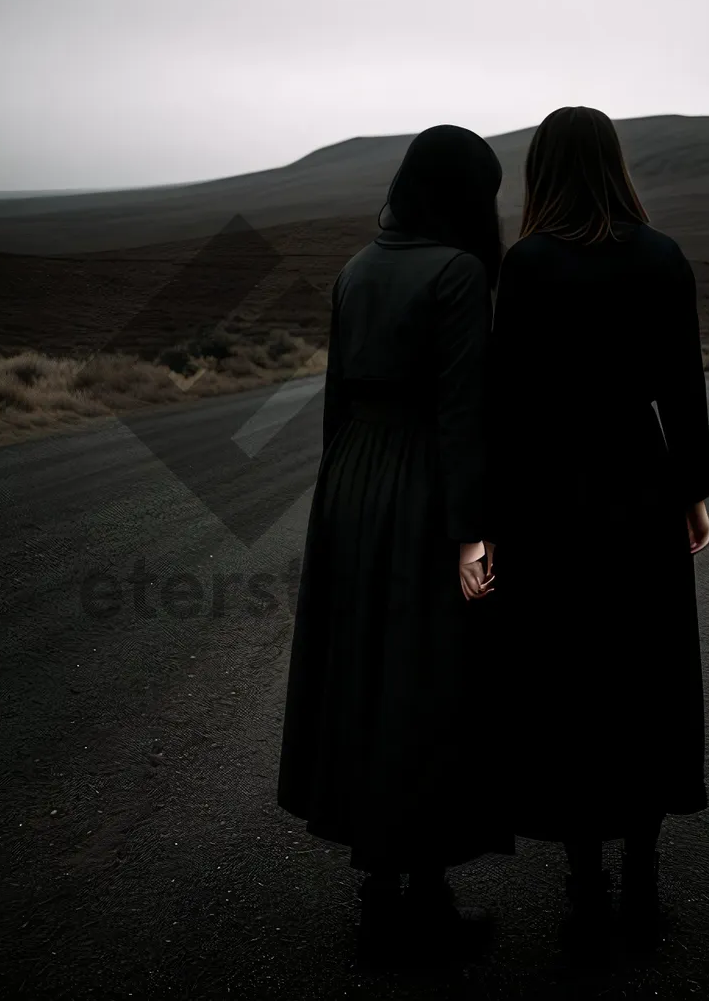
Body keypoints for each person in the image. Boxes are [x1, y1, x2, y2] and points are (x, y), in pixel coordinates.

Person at [485, 105, 709, 963]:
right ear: (616, 163)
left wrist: (495, 521)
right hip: (639, 483)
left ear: (543, 171)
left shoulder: (529, 264)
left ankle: (587, 888)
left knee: (569, 680)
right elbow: (682, 386)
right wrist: (692, 492)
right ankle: (646, 880)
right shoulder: (661, 256)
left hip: (552, 498)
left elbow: (506, 405)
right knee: (646, 672)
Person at [277, 124, 512, 965]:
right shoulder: (457, 273)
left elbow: (336, 403)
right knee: (431, 679)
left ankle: (379, 891)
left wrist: (339, 503)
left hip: (351, 486)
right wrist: (471, 535)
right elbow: (461, 416)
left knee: (366, 673)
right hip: (420, 489)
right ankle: (427, 897)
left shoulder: (355, 268)